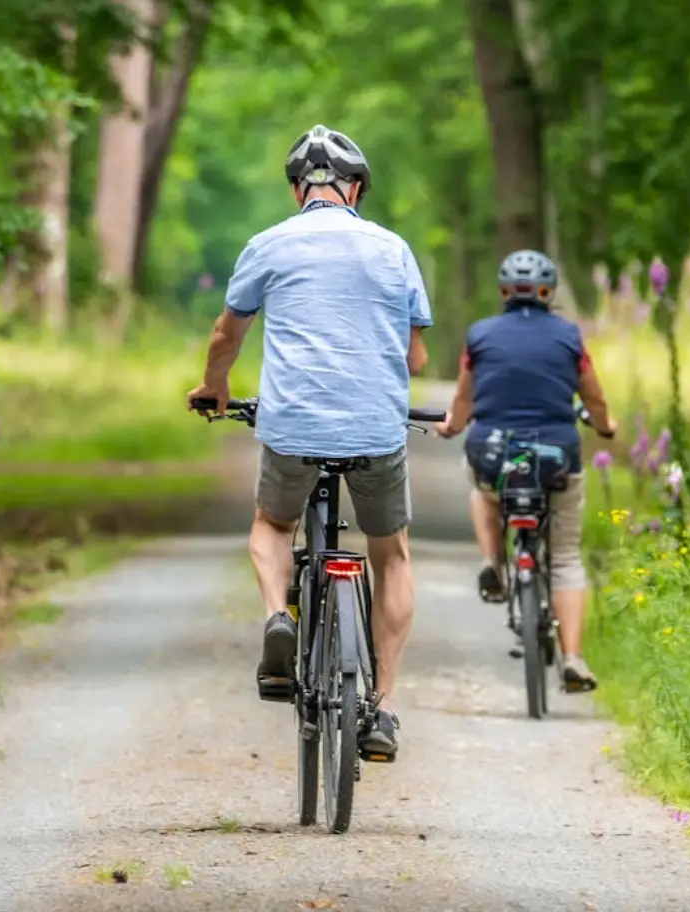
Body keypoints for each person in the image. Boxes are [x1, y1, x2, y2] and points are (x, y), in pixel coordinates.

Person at [185, 124, 433, 760]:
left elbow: (225, 335)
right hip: (377, 428)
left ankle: (278, 617)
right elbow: (417, 354)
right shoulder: (392, 248)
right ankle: (384, 709)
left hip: (293, 425)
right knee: (393, 553)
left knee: (272, 524)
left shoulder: (268, 244)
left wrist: (215, 388)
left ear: (299, 189)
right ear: (355, 189)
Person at [434, 249, 616, 692]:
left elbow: (463, 399)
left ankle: (492, 560)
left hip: (494, 454)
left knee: (481, 487)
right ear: (548, 291)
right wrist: (607, 426)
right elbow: (593, 397)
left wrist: (452, 426)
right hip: (556, 457)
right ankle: (572, 658)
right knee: (567, 558)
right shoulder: (570, 336)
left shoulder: (479, 336)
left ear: (503, 292)